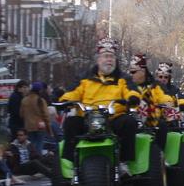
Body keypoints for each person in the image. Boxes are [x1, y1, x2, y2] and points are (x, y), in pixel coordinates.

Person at [59, 38, 142, 173]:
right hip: (88, 118)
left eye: (112, 57)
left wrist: (132, 98)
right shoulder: (85, 78)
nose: (109, 60)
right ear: (98, 59)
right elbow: (73, 92)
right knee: (70, 123)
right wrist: (65, 101)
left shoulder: (123, 78)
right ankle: (72, 163)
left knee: (129, 123)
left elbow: (132, 90)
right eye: (105, 56)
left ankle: (123, 162)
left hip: (113, 118)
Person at [128, 54, 178, 150]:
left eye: (134, 71)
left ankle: (160, 153)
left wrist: (169, 102)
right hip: (131, 116)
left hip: (151, 118)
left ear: (143, 72)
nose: (131, 74)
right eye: (130, 71)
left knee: (162, 126)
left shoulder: (154, 86)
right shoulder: (126, 84)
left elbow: (163, 97)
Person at [21, 82, 51, 155]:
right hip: (40, 126)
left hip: (28, 126)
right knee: (39, 145)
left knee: (31, 144)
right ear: (40, 90)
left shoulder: (24, 100)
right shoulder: (41, 100)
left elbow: (21, 114)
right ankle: (37, 160)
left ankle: (31, 159)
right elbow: (46, 115)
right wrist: (49, 128)